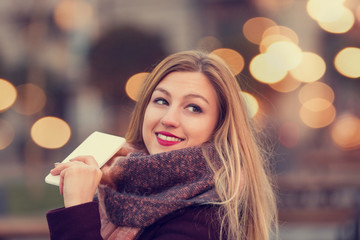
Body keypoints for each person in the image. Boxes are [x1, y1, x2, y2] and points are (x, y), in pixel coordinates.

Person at [46, 50, 278, 240]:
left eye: (193, 108)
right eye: (161, 100)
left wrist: (77, 209)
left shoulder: (205, 219)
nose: (168, 118)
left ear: (219, 126)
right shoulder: (118, 190)